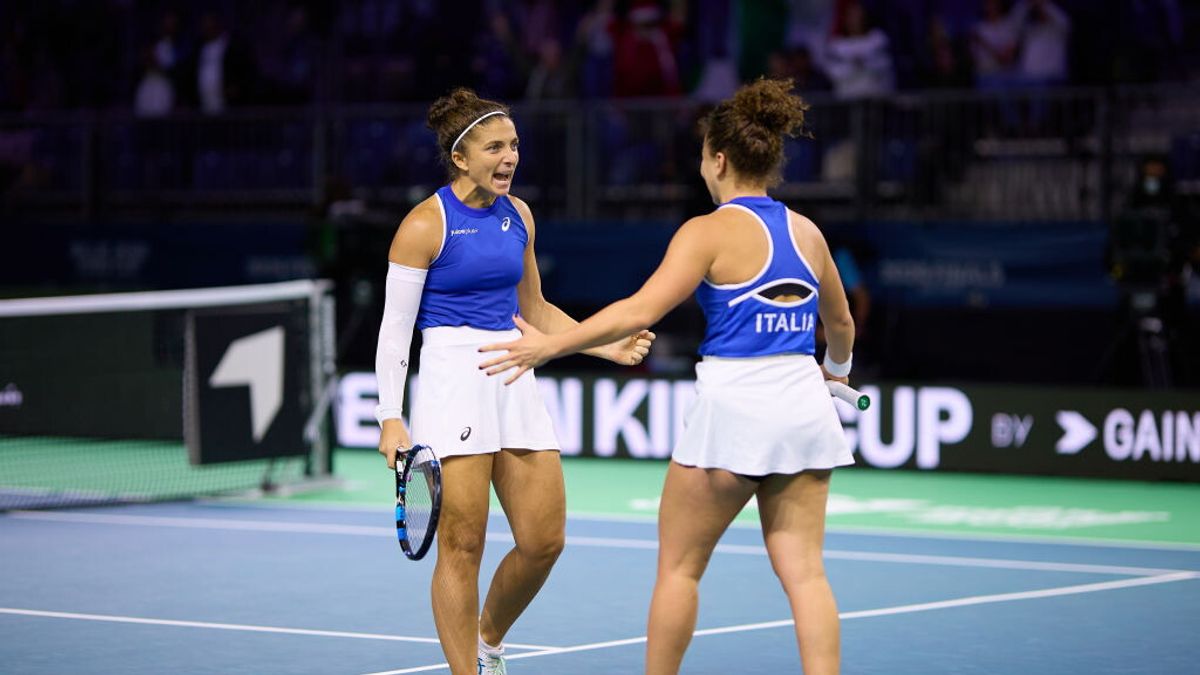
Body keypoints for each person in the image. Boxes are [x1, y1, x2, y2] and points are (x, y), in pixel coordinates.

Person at [481, 78, 855, 675]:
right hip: (805, 410)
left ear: (720, 159)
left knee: (680, 569)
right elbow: (840, 323)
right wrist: (834, 373)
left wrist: (551, 345)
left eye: (704, 155)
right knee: (806, 572)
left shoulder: (706, 231)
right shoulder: (806, 233)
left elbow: (636, 313)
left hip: (734, 413)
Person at [373, 87, 653, 675]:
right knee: (462, 545)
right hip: (454, 377)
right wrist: (390, 418)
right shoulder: (424, 224)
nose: (510, 157)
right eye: (496, 147)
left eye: (515, 145)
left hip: (514, 369)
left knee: (543, 539)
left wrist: (605, 344)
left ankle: (488, 638)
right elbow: (395, 332)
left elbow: (536, 308)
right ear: (461, 157)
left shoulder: (518, 215)